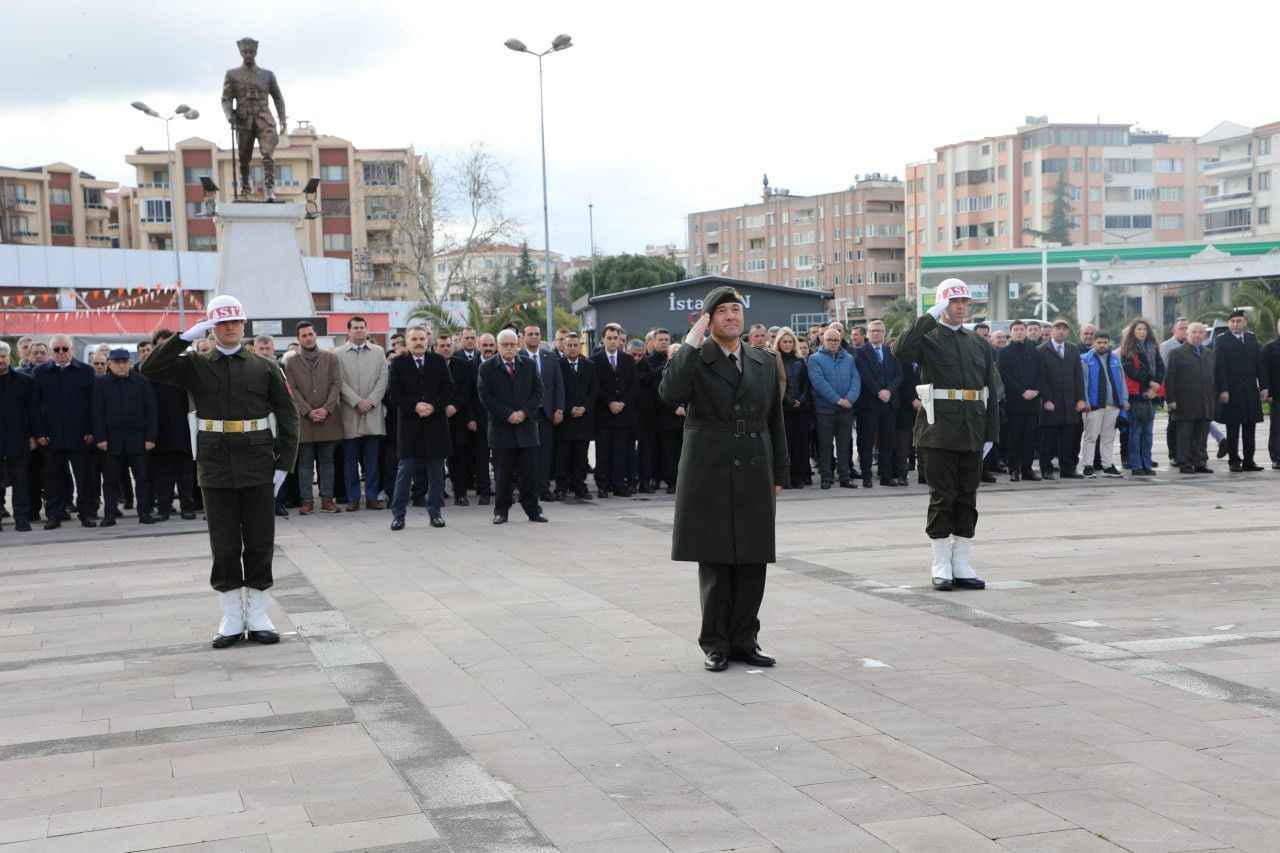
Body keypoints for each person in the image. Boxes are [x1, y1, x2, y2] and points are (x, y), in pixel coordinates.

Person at [142, 295, 299, 648]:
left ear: (244, 325)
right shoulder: (195, 364)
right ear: (212, 327)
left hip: (259, 463)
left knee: (260, 542)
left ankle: (258, 613)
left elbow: (288, 416)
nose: (230, 328)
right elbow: (149, 368)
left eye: (235, 322)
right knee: (224, 544)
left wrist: (284, 465)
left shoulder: (266, 367)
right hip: (214, 464)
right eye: (222, 323)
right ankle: (231, 615)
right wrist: (182, 338)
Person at [659, 286, 786, 672]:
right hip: (709, 469)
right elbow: (671, 393)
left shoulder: (764, 360)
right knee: (715, 560)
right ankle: (715, 643)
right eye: (723, 311)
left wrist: (779, 471)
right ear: (708, 321)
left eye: (736, 310)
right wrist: (691, 343)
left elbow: (775, 421)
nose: (732, 316)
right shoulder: (695, 359)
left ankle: (745, 640)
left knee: (752, 559)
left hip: (753, 465)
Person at [894, 279, 998, 592]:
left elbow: (990, 389)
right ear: (943, 304)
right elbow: (900, 350)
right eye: (954, 302)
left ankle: (961, 563)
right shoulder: (928, 337)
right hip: (938, 431)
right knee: (943, 497)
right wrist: (929, 315)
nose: (962, 307)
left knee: (968, 496)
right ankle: (940, 562)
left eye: (965, 301)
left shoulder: (977, 342)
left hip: (971, 429)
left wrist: (991, 433)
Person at [478, 329, 547, 524]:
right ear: (498, 347)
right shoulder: (487, 368)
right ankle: (501, 511)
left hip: (527, 429)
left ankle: (533, 510)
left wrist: (523, 413)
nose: (509, 348)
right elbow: (486, 397)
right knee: (503, 474)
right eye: (505, 345)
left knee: (530, 474)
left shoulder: (530, 365)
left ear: (519, 345)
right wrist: (508, 414)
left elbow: (538, 392)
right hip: (502, 429)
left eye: (513, 344)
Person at [387, 326, 452, 530]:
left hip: (435, 426)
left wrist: (433, 406)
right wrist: (415, 405)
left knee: (436, 473)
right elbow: (394, 394)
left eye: (421, 339)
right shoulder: (398, 363)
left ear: (427, 341)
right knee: (405, 472)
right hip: (409, 427)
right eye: (414, 339)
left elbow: (448, 389)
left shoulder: (438, 361)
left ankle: (436, 513)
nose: (418, 342)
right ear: (407, 341)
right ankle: (398, 515)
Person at [33, 333, 99, 529]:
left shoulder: (87, 372)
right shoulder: (40, 372)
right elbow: (35, 407)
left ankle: (86, 514)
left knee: (84, 478)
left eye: (65, 349)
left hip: (80, 436)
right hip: (51, 437)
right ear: (52, 351)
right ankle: (54, 515)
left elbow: (93, 405)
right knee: (52, 478)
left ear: (72, 349)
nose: (61, 353)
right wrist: (40, 433)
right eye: (56, 349)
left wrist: (91, 431)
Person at [93, 348, 158, 526]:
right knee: (110, 481)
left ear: (130, 363)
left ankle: (145, 513)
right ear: (110, 364)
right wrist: (100, 438)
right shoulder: (101, 384)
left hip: (138, 439)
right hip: (111, 441)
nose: (121, 366)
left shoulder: (141, 382)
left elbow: (151, 411)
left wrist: (151, 438)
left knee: (143, 479)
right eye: (117, 362)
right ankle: (109, 515)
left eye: (124, 362)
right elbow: (96, 413)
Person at [283, 321, 342, 514]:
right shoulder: (290, 362)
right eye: (304, 335)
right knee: (305, 463)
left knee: (327, 462)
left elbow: (336, 384)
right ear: (298, 339)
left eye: (310, 334)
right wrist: (308, 411)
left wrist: (326, 409)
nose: (308, 338)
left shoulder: (330, 358)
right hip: (305, 420)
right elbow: (292, 389)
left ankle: (327, 500)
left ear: (315, 335)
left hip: (328, 419)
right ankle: (306, 501)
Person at [336, 316, 388, 510]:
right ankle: (353, 498)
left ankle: (372, 497)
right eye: (355, 328)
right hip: (350, 413)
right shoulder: (338, 354)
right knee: (350, 461)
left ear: (367, 330)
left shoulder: (378, 352)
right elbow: (339, 381)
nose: (359, 330)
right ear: (348, 331)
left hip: (372, 414)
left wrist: (371, 402)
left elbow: (383, 379)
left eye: (361, 327)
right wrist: (357, 402)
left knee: (372, 461)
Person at [146, 329, 198, 521]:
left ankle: (188, 507)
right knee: (163, 474)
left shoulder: (184, 369)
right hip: (160, 431)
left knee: (186, 473)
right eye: (161, 346)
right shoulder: (149, 372)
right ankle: (164, 509)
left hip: (184, 428)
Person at [1214, 309, 1267, 472]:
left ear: (1245, 322)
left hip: (1250, 390)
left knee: (1250, 426)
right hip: (1232, 390)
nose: (1235, 324)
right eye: (1232, 322)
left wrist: (1264, 386)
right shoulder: (1222, 341)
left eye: (1239, 321)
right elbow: (1219, 368)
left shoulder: (1251, 339)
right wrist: (1223, 390)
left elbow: (1260, 365)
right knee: (1233, 427)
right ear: (1229, 324)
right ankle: (1234, 460)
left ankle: (1249, 460)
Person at [807, 327, 860, 489]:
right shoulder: (814, 359)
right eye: (829, 339)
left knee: (844, 445)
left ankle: (845, 477)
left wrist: (850, 398)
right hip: (825, 410)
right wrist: (837, 400)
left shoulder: (849, 358)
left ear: (840, 341)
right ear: (823, 340)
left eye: (836, 340)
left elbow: (856, 380)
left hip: (846, 409)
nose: (833, 343)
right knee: (825, 445)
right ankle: (827, 477)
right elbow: (818, 383)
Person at [854, 319, 902, 488]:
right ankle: (867, 476)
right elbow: (864, 374)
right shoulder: (860, 352)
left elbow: (899, 375)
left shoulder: (892, 351)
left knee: (887, 441)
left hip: (889, 404)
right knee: (866, 441)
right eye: (873, 330)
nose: (876, 333)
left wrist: (889, 390)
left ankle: (885, 476)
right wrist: (878, 391)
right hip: (868, 405)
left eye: (879, 330)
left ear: (884, 333)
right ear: (867, 333)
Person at [1164, 322, 1217, 475]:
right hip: (1184, 403)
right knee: (1185, 436)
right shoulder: (1177, 353)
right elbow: (1170, 379)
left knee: (1201, 436)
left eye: (1201, 332)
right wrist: (1171, 400)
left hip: (1205, 402)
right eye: (1194, 332)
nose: (1198, 335)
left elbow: (1213, 377)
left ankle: (1200, 462)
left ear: (1205, 335)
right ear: (1188, 334)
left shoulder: (1208, 353)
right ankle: (1185, 463)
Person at [1037, 319, 1086, 479]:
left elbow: (1078, 377)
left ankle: (1067, 469)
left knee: (1068, 439)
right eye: (1058, 328)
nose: (1061, 331)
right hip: (1051, 403)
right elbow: (1041, 378)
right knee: (1048, 439)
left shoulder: (1072, 349)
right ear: (1051, 331)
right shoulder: (1042, 350)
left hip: (1070, 402)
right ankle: (1046, 468)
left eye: (1064, 329)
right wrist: (1046, 399)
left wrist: (1080, 399)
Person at [592, 323, 636, 498]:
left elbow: (634, 386)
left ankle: (619, 484)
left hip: (623, 414)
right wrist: (609, 402)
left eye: (615, 338)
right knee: (603, 452)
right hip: (604, 413)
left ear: (620, 340)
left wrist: (622, 402)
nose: (612, 341)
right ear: (603, 339)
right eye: (609, 338)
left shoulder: (628, 359)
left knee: (620, 452)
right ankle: (603, 485)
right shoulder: (595, 360)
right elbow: (596, 386)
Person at [521, 324, 564, 502]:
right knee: (527, 455)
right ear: (523, 337)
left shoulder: (550, 357)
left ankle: (544, 488)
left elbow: (558, 385)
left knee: (546, 454)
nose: (533, 337)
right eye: (530, 334)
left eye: (536, 334)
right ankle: (527, 490)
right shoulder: (517, 357)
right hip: (526, 415)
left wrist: (559, 409)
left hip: (546, 413)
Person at [997, 320, 1043, 482]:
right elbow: (1005, 376)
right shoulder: (1004, 352)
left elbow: (1040, 372)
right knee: (1014, 436)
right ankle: (1014, 469)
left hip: (1032, 401)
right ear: (1011, 333)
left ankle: (1027, 469)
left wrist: (1035, 390)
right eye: (1015, 329)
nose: (1019, 332)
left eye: (1021, 329)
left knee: (1030, 437)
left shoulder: (1034, 350)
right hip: (1015, 401)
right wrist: (1022, 391)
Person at [1078, 333, 1128, 478]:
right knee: (1090, 436)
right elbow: (1083, 383)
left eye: (1105, 342)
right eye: (1099, 342)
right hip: (1094, 405)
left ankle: (1107, 465)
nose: (1102, 345)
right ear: (1093, 343)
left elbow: (1122, 380)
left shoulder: (1114, 359)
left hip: (1113, 405)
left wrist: (1124, 400)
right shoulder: (1085, 359)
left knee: (1108, 436)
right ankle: (1088, 465)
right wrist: (1085, 400)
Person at [556, 331, 598, 501]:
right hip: (565, 419)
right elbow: (555, 390)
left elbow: (594, 390)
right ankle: (561, 487)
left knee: (581, 456)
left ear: (580, 346)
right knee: (563, 456)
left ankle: (579, 486)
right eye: (569, 345)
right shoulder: (557, 365)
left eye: (575, 345)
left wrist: (585, 408)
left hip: (583, 419)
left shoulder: (589, 365)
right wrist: (567, 409)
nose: (572, 348)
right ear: (563, 347)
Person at [1119, 320, 1164, 477]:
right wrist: (1149, 382)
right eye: (1139, 329)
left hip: (1151, 396)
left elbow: (1160, 367)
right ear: (1133, 331)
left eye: (1144, 329)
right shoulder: (1128, 349)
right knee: (1135, 432)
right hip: (1136, 395)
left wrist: (1157, 384)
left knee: (1148, 434)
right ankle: (1136, 465)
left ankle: (1147, 463)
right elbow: (1131, 371)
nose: (1142, 332)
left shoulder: (1153, 347)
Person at [0, 341, 37, 532]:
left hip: (18, 438)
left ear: (9, 357)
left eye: (3, 356)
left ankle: (22, 518)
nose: (1, 360)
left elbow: (32, 411)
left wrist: (33, 435)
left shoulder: (24, 381)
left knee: (21, 482)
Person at [776, 328, 812, 489]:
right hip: (784, 409)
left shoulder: (800, 360)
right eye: (784, 341)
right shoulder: (774, 361)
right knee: (786, 445)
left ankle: (800, 477)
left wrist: (801, 400)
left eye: (790, 341)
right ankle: (786, 478)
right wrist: (789, 401)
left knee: (801, 444)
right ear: (779, 343)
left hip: (801, 409)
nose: (787, 344)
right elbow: (775, 385)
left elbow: (806, 384)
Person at [1263, 322, 1280, 470]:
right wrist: (1267, 391)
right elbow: (1265, 372)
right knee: (1277, 428)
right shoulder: (1270, 348)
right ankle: (1276, 458)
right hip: (1277, 394)